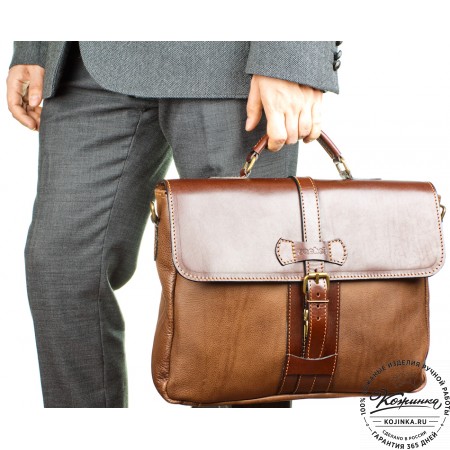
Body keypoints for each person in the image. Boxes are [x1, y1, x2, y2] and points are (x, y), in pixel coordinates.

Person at [6, 41, 342, 408]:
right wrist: (34, 46)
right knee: (62, 271)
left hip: (230, 62)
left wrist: (291, 54)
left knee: (245, 299)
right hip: (90, 61)